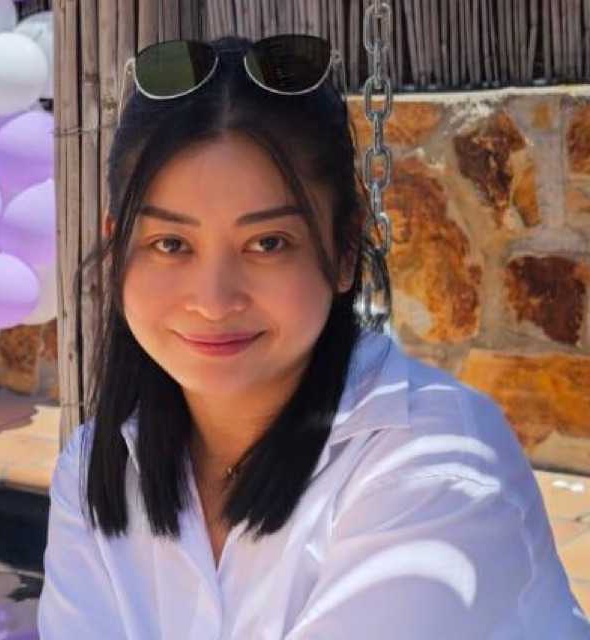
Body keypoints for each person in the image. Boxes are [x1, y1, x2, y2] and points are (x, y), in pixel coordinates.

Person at [37, 34, 590, 639]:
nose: (213, 301)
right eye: (171, 244)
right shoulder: (95, 469)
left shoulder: (438, 465)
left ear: (344, 249)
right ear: (118, 247)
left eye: (268, 243)